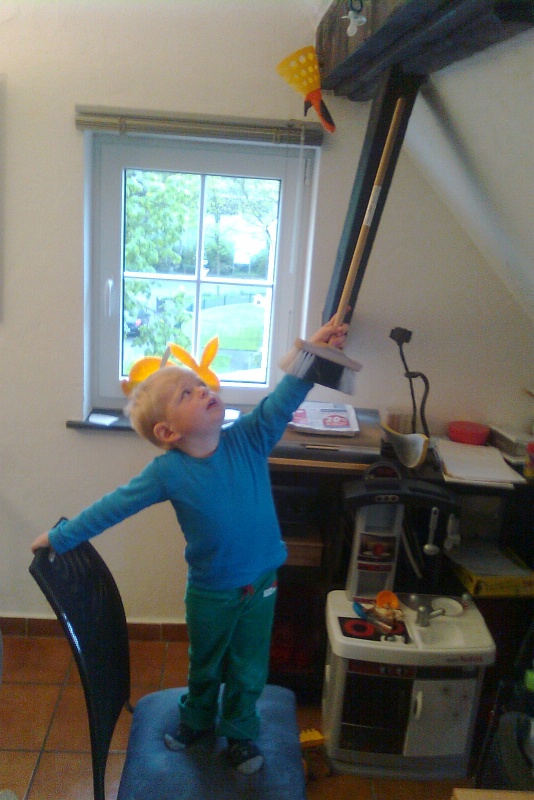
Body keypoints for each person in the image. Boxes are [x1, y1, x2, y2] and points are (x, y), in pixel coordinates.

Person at [31, 318, 348, 775]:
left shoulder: (251, 437)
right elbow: (112, 507)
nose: (202, 390)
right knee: (205, 666)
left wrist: (311, 353)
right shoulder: (168, 472)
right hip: (211, 593)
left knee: (249, 668)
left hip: (261, 585)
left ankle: (240, 734)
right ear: (167, 432)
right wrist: (60, 537)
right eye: (186, 394)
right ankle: (197, 720)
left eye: (200, 384)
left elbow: (286, 395)